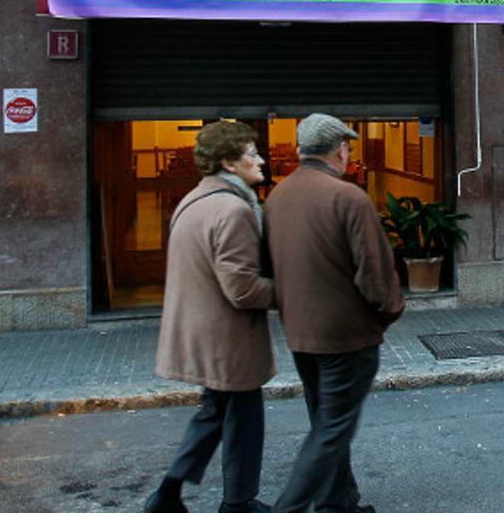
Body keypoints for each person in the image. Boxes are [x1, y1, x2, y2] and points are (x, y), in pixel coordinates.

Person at [264, 114, 405, 513]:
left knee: (325, 422)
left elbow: (267, 266)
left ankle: (336, 502)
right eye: (349, 148)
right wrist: (387, 313)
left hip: (300, 333)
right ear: (341, 151)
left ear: (301, 150)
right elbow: (376, 275)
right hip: (346, 335)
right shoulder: (348, 198)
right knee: (331, 430)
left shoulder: (277, 197)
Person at [146, 121, 277, 513]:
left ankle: (168, 495)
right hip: (227, 338)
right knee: (243, 419)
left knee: (215, 414)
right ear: (228, 163)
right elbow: (241, 288)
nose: (261, 159)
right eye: (251, 153)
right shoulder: (233, 210)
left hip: (202, 332)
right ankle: (237, 502)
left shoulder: (194, 200)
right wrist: (292, 293)